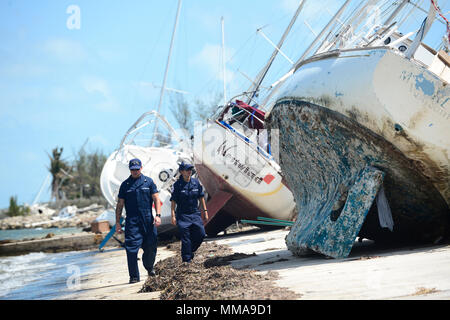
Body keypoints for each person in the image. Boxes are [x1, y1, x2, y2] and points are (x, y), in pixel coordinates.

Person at [115, 158, 161, 283]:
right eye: (132, 169)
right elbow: (120, 204)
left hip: (147, 220)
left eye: (137, 169)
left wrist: (158, 215)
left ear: (141, 168)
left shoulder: (149, 182)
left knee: (151, 246)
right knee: (131, 249)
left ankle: (149, 266)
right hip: (132, 221)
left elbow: (156, 199)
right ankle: (134, 276)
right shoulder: (125, 185)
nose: (135, 171)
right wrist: (118, 222)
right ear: (130, 169)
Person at [170, 162, 208, 263]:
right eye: (187, 170)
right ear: (181, 172)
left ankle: (191, 250)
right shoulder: (177, 185)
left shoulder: (196, 182)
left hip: (195, 213)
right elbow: (173, 201)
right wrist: (173, 215)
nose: (189, 172)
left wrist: (205, 210)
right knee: (186, 238)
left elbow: (201, 197)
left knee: (201, 234)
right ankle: (186, 260)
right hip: (182, 215)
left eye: (190, 170)